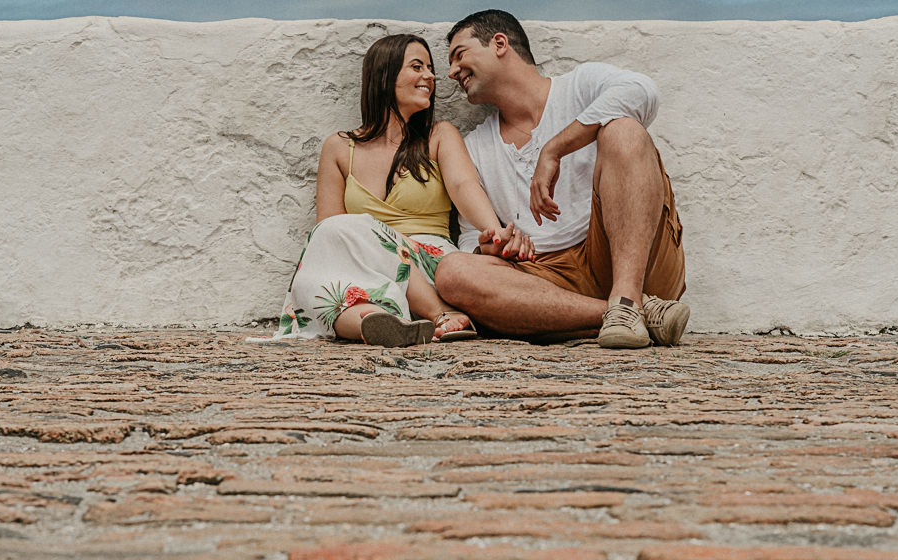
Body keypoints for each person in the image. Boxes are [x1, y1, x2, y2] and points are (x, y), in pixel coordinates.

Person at [436, 10, 690, 348]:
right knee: (453, 272)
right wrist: (491, 248)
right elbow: (470, 239)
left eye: (459, 55)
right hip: (544, 283)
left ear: (499, 44)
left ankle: (628, 298)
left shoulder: (580, 85)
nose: (452, 72)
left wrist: (554, 148)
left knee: (624, 130)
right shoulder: (475, 147)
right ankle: (624, 314)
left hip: (630, 259)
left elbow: (642, 92)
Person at [273, 33, 532, 346]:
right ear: (384, 76)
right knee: (323, 258)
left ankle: (437, 313)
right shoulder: (339, 147)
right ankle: (377, 322)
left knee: (351, 229)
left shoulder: (439, 136)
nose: (430, 75)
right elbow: (329, 234)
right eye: (417, 66)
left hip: (428, 262)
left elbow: (464, 185)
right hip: (365, 266)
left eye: (429, 68)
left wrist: (493, 230)